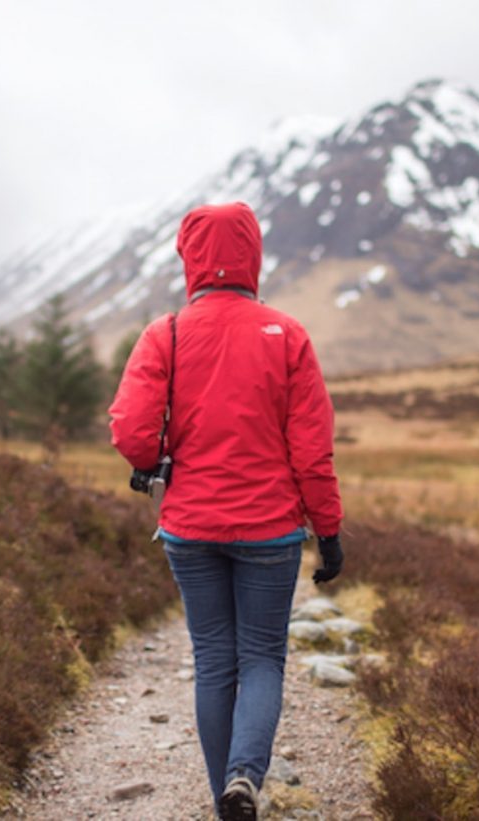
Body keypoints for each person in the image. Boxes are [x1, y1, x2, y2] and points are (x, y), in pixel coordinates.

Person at [109, 201, 344, 820]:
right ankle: (245, 777)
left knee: (214, 659)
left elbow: (131, 431)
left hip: (189, 527)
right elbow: (312, 452)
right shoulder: (288, 335)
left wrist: (155, 454)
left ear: (189, 258)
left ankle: (227, 805)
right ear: (252, 256)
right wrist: (329, 530)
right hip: (271, 531)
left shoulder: (168, 332)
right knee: (263, 656)